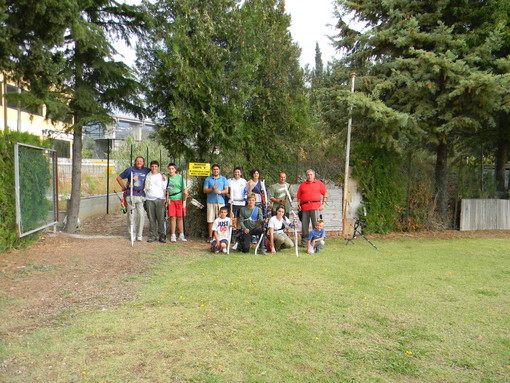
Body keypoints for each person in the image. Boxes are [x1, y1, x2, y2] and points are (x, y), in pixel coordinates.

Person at [116, 156, 150, 241]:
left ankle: (139, 234)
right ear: (135, 162)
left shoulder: (146, 170)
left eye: (141, 161)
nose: (139, 162)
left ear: (143, 162)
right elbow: (119, 178)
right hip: (130, 195)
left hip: (141, 196)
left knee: (141, 215)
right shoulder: (130, 170)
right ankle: (132, 233)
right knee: (131, 216)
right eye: (137, 161)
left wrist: (162, 174)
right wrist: (124, 187)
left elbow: (155, 171)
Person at [296, 169, 328, 247]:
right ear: (306, 176)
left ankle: (317, 242)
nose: (309, 176)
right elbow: (299, 197)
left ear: (314, 175)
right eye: (308, 175)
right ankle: (305, 243)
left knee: (317, 225)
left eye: (311, 174)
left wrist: (323, 204)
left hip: (316, 206)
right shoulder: (302, 185)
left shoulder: (319, 183)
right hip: (304, 207)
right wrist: (298, 205)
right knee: (304, 226)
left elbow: (325, 193)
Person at [203, 164, 229, 243]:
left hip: (220, 202)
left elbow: (226, 190)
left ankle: (219, 236)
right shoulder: (208, 179)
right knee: (210, 220)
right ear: (212, 170)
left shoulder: (223, 179)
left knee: (220, 219)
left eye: (217, 169)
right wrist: (212, 189)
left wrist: (220, 192)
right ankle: (210, 236)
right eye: (214, 169)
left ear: (219, 170)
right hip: (210, 201)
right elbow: (205, 190)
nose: (216, 171)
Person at [144, 161, 167, 243]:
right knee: (151, 218)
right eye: (152, 166)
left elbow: (164, 189)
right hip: (149, 199)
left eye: (155, 166)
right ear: (150, 167)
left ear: (158, 167)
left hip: (159, 199)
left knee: (160, 218)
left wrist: (165, 199)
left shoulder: (162, 176)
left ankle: (161, 235)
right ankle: (153, 235)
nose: (154, 168)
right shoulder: (148, 175)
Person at [166, 163, 188, 242]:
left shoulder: (180, 177)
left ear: (175, 169)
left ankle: (181, 234)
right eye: (169, 169)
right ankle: (173, 235)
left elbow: (185, 190)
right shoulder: (166, 177)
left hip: (179, 199)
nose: (171, 170)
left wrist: (184, 201)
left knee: (180, 217)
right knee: (172, 217)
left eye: (172, 169)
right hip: (171, 199)